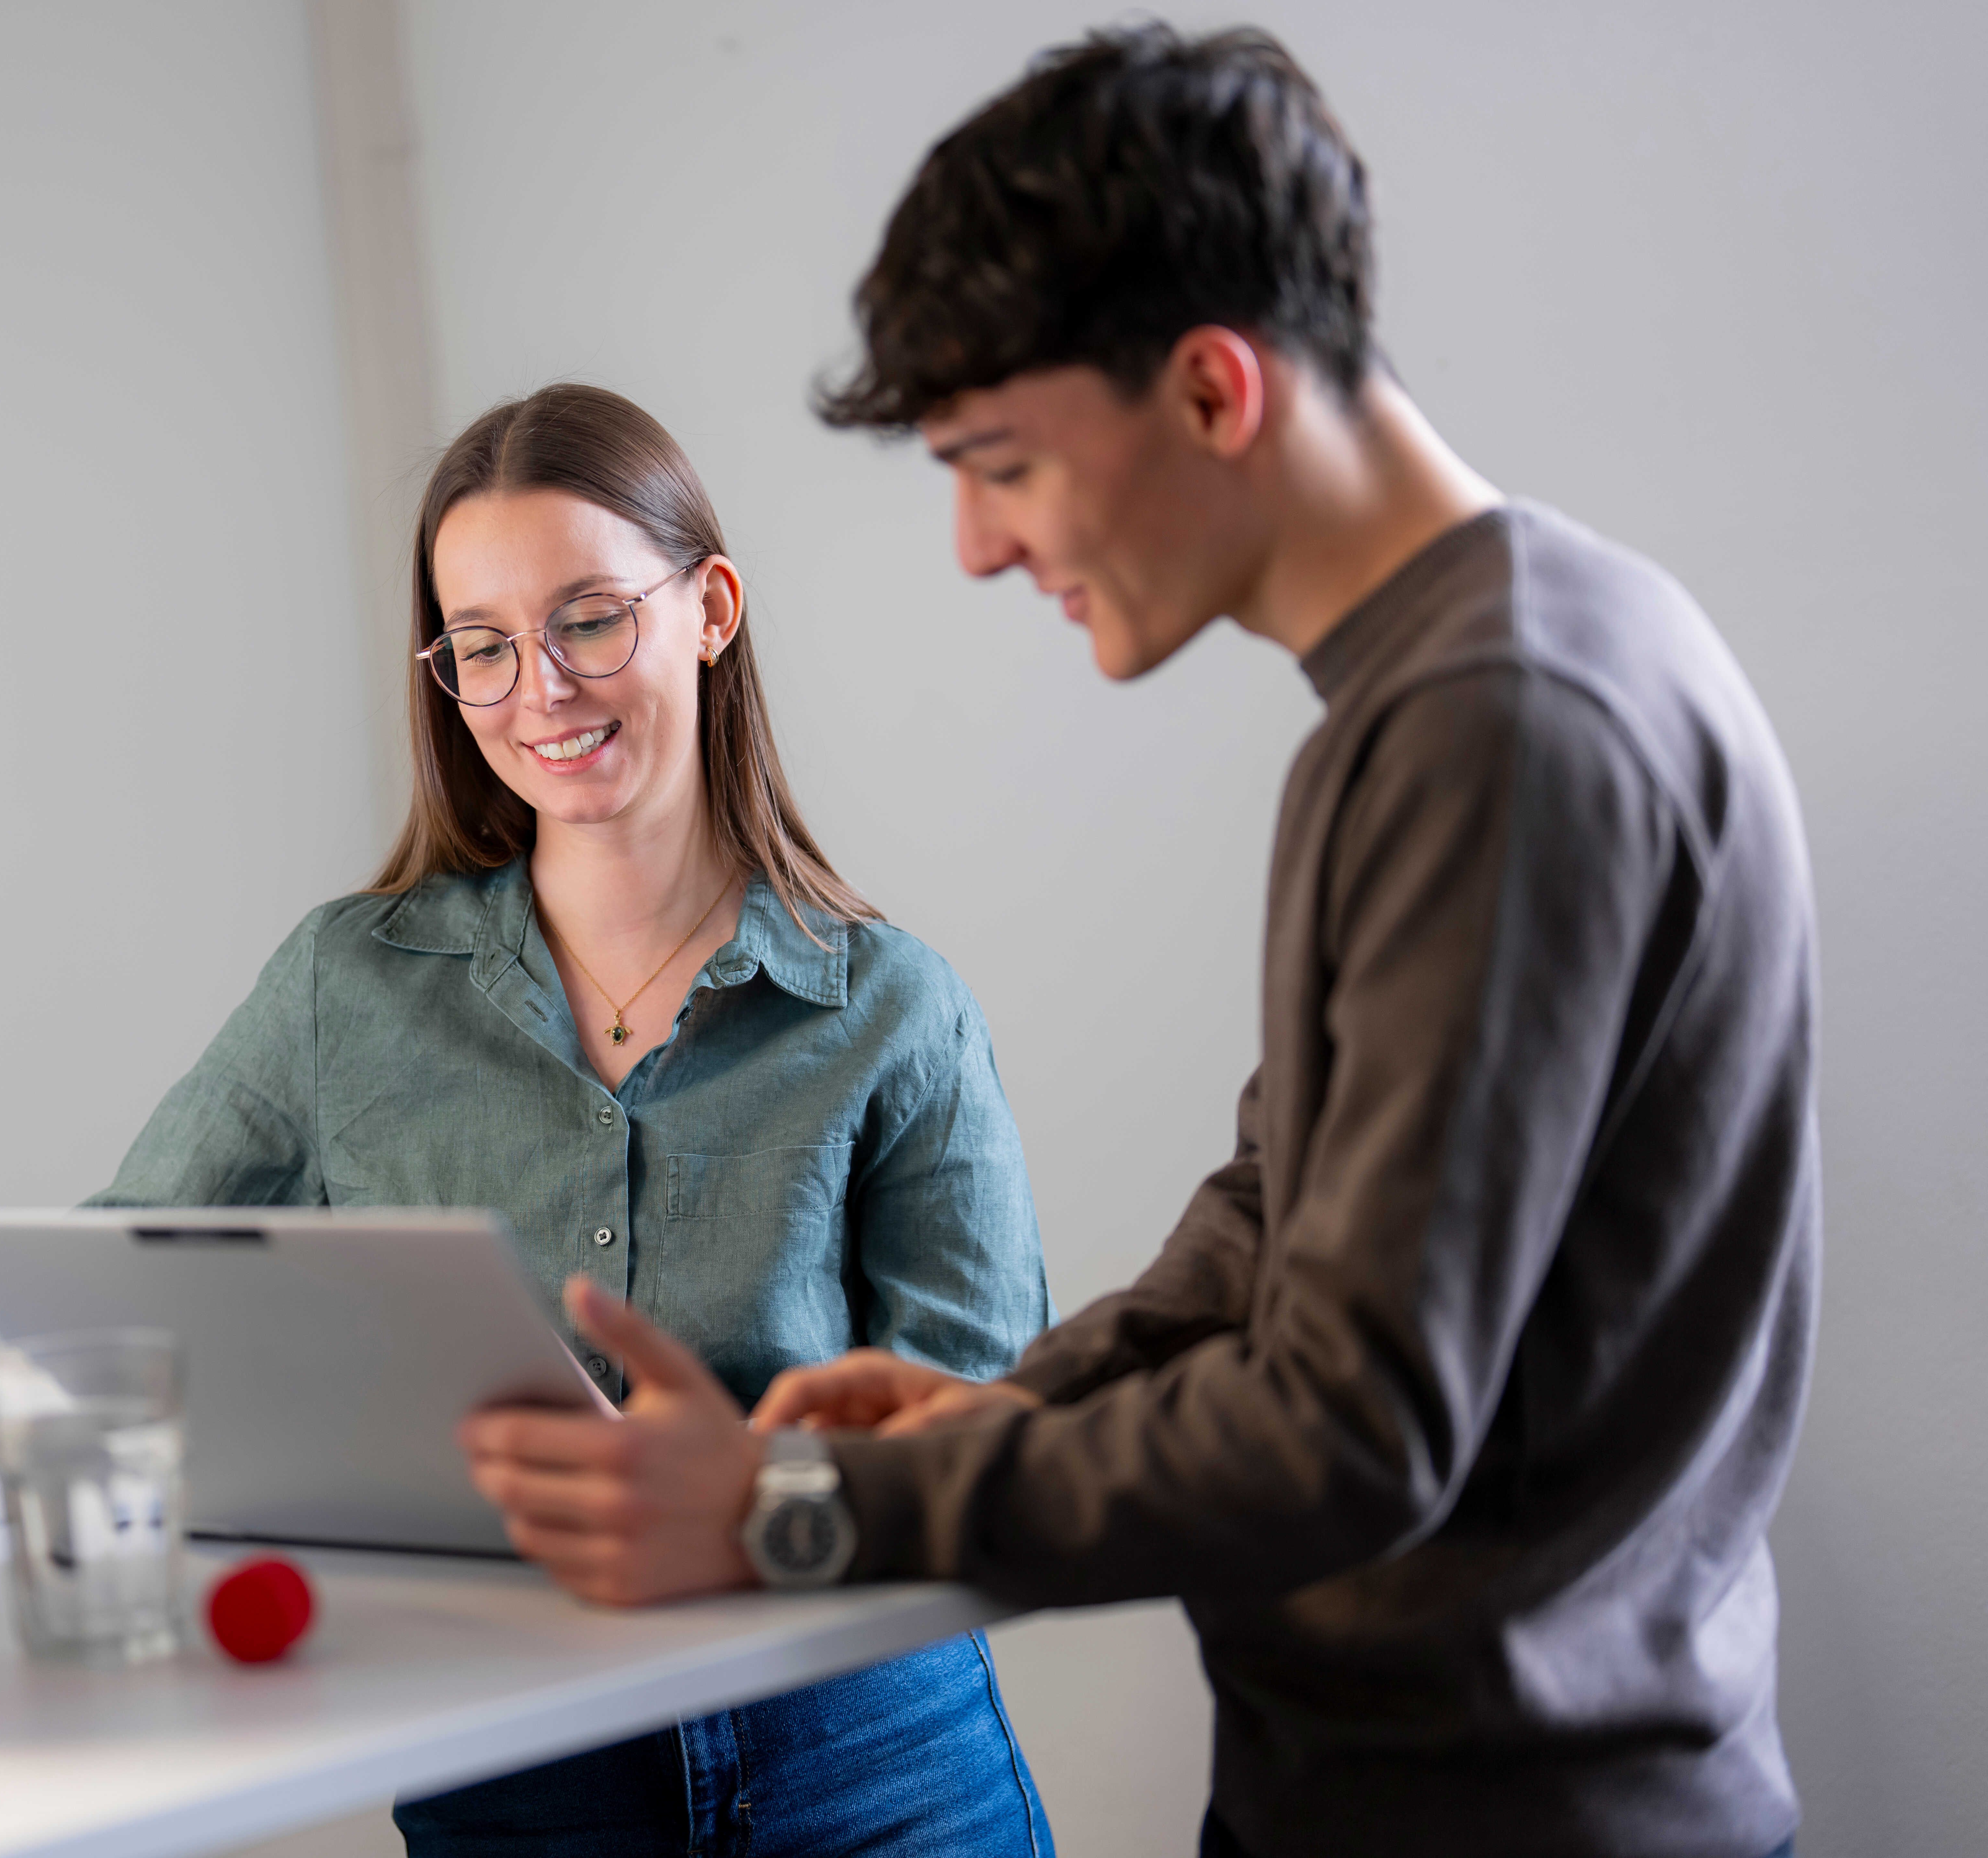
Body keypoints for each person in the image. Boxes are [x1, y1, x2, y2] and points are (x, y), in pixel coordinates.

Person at [456, 27, 1816, 1858]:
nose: (976, 547)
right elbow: (1274, 1221)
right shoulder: (1446, 690)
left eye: (1002, 463)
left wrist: (798, 1511)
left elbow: (1354, 1427)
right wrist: (984, 1423)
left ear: (1209, 388)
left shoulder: (1505, 719)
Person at [90, 383, 1055, 1855]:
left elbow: (1000, 1455)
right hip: (519, 1768)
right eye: (483, 647)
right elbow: (126, 1305)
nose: (540, 687)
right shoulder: (347, 988)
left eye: (591, 618)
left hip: (869, 1756)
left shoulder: (895, 1009)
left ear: (711, 609)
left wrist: (744, 1506)